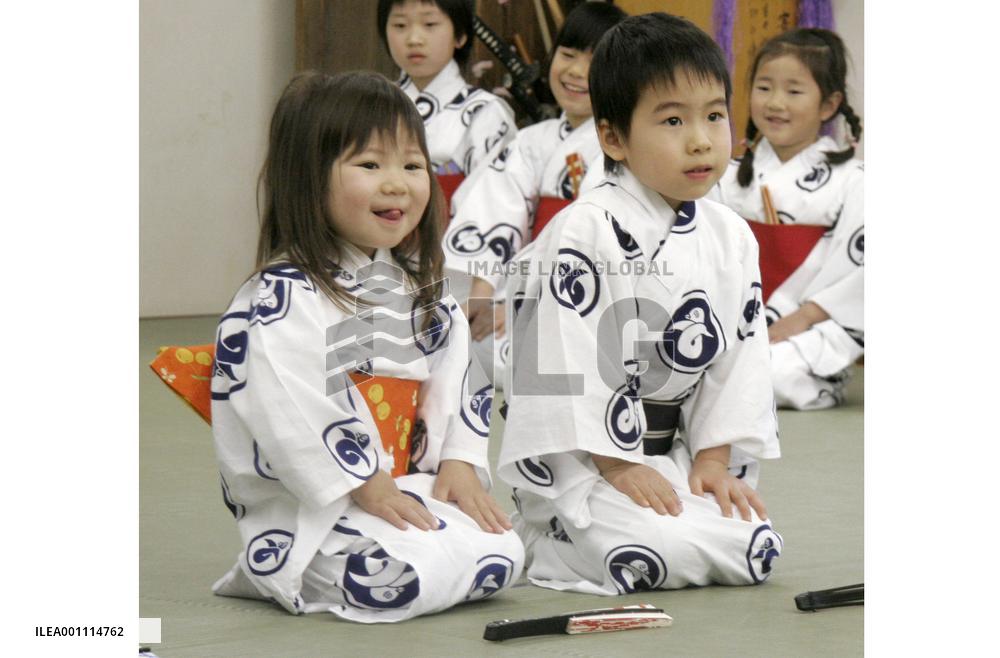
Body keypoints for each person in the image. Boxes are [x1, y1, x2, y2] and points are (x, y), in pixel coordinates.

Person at [209, 71, 523, 623]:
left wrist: (460, 460)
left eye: (411, 164)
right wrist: (365, 482)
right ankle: (283, 567)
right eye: (371, 165)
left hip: (402, 484)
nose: (397, 183)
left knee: (503, 548)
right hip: (322, 509)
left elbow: (460, 379)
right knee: (411, 572)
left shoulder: (422, 291)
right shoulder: (284, 296)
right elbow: (290, 403)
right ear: (309, 178)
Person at [498, 13, 782, 596]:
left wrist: (711, 460)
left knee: (757, 543)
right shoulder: (586, 230)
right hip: (585, 463)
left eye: (714, 115)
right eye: (673, 120)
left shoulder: (731, 234)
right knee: (659, 547)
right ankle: (549, 537)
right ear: (613, 137)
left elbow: (738, 360)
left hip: (673, 453)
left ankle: (650, 514)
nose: (701, 139)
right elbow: (558, 361)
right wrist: (618, 466)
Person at [441, 2, 627, 386]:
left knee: (529, 358)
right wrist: (483, 291)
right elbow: (495, 209)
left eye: (593, 62)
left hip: (577, 304)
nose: (576, 72)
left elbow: (585, 242)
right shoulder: (531, 142)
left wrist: (514, 309)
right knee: (449, 338)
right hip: (514, 294)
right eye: (568, 55)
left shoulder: (623, 148)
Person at [710, 28, 863, 410]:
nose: (776, 102)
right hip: (734, 319)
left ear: (828, 105)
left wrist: (801, 318)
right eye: (764, 88)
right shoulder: (726, 174)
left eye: (794, 91)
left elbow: (864, 271)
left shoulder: (856, 181)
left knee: (764, 375)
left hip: (809, 327)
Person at [377, 0, 517, 211]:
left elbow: (494, 207)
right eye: (400, 25)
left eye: (430, 24)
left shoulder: (485, 112)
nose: (414, 39)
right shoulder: (371, 105)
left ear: (460, 35)